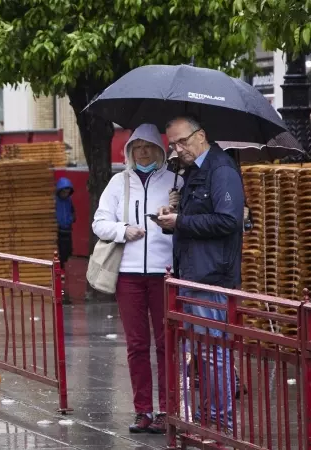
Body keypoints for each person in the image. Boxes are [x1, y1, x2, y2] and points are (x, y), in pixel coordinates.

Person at [156, 116, 244, 432]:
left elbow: (228, 221)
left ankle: (221, 426)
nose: (178, 149)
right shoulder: (194, 171)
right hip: (194, 272)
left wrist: (181, 222)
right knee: (204, 354)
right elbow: (199, 220)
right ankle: (210, 421)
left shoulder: (220, 169)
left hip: (211, 276)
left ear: (201, 135)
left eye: (182, 141)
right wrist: (174, 213)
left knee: (213, 353)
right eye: (173, 144)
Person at [92, 123, 181, 434]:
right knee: (137, 345)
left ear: (160, 149)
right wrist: (123, 230)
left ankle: (167, 411)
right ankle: (143, 410)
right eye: (136, 147)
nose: (143, 152)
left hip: (164, 273)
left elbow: (187, 224)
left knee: (166, 343)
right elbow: (99, 222)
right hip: (128, 275)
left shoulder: (175, 181)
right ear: (129, 152)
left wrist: (174, 212)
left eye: (148, 147)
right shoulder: (119, 182)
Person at [55, 177, 75, 268]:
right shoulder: (55, 201)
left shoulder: (69, 200)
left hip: (67, 229)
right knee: (59, 251)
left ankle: (63, 267)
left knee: (67, 251)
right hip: (58, 230)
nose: (65, 194)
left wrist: (72, 218)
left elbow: (72, 211)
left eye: (67, 192)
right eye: (64, 192)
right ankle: (60, 268)